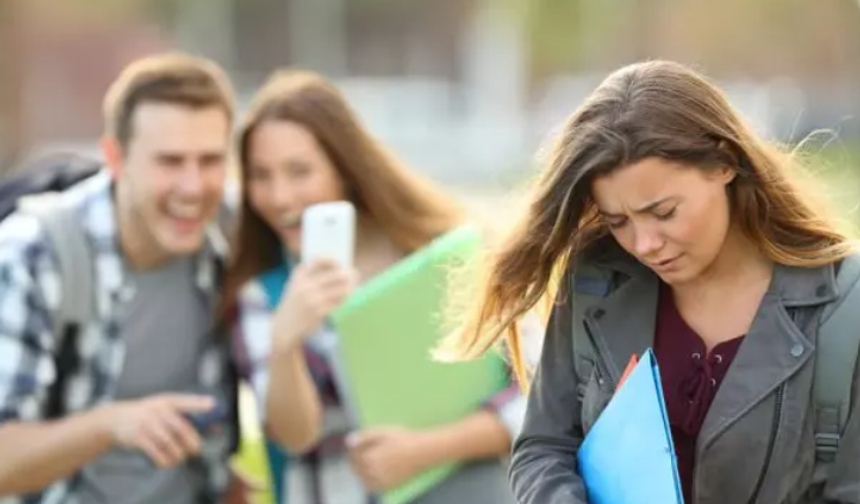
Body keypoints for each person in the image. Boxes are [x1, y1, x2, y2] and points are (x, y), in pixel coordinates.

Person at [442, 60, 860, 504]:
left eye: (664, 212)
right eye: (617, 220)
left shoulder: (846, 307)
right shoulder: (593, 278)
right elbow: (544, 447)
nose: (643, 244)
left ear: (724, 162)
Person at [220, 69, 525, 504]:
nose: (280, 196)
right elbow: (293, 435)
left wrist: (421, 451)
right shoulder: (261, 293)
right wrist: (285, 340)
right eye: (261, 176)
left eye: (299, 171)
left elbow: (531, 400)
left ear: (344, 169)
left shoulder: (440, 256)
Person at [0, 53, 257, 504]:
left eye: (210, 160)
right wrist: (109, 425)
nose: (193, 188)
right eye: (171, 162)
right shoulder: (32, 255)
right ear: (116, 158)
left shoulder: (231, 239)